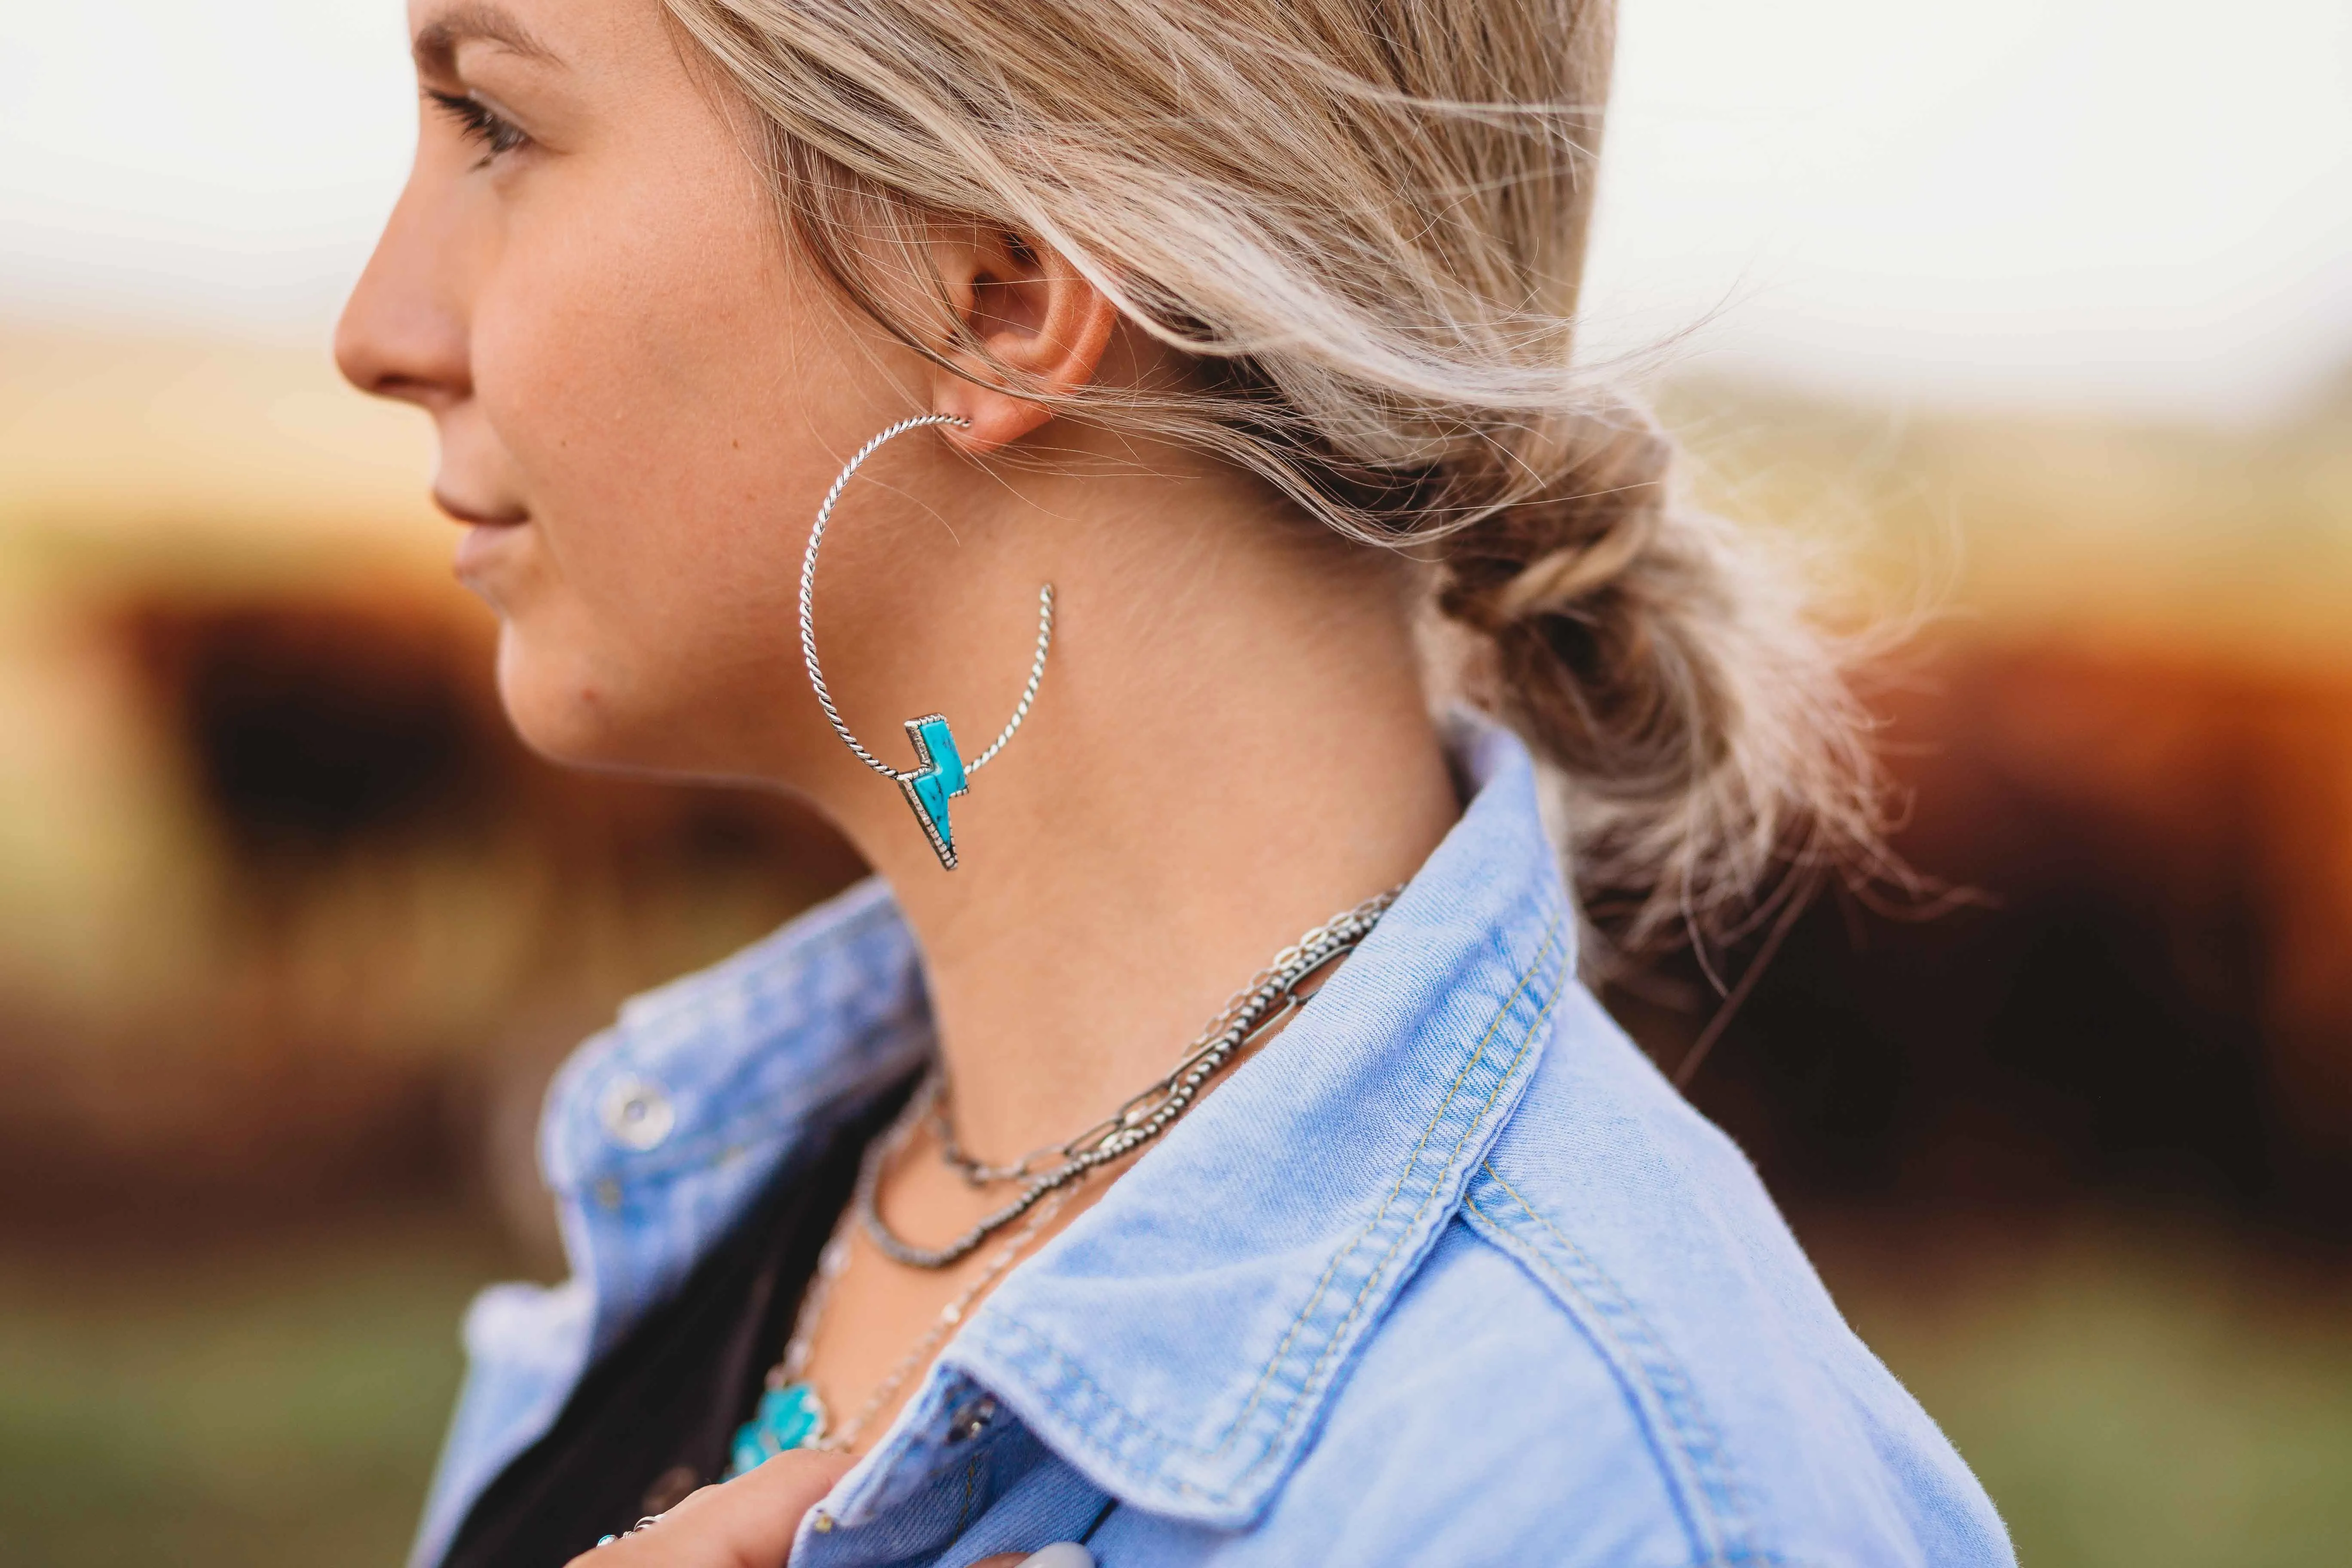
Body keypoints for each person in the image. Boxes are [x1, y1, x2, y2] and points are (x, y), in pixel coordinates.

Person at [336, 0, 2014, 1564]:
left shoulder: (1595, 1497)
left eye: (493, 120)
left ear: (996, 283)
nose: (379, 329)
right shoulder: (734, 1186)